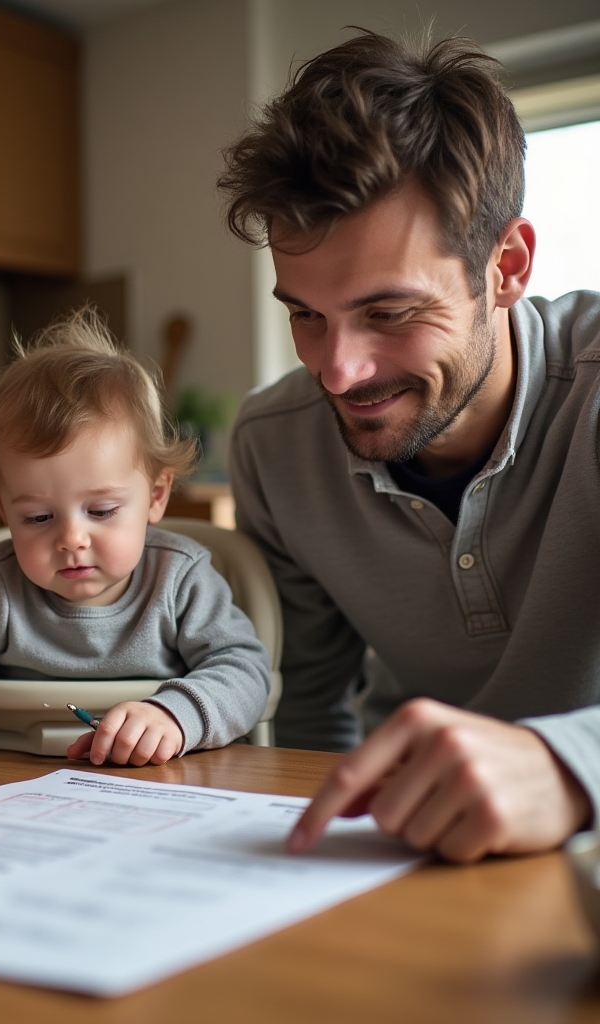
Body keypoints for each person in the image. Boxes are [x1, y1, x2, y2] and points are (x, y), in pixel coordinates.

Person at [219, 30, 600, 863]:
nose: (337, 371)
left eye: (389, 313)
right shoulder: (271, 446)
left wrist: (569, 770)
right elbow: (311, 722)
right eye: (305, 315)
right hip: (401, 851)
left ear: (506, 266)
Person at [0, 310, 270, 787]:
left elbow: (246, 670)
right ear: (4, 511)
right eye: (38, 518)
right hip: (11, 783)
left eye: (102, 510)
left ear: (156, 496)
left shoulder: (180, 580)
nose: (71, 538)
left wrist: (177, 717)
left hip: (165, 783)